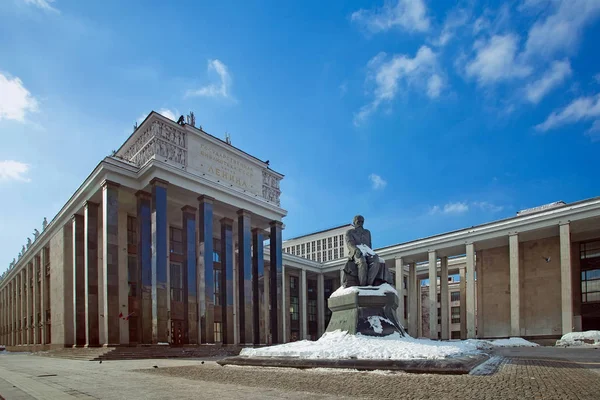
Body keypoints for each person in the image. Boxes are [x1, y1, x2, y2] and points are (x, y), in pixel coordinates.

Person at [344, 215, 392, 287]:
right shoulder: (350, 232)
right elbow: (350, 244)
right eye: (358, 221)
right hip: (356, 251)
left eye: (362, 222)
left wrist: (371, 253)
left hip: (367, 251)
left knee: (376, 260)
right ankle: (362, 284)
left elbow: (369, 245)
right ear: (354, 222)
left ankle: (369, 283)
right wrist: (356, 250)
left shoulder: (367, 232)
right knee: (362, 261)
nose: (360, 223)